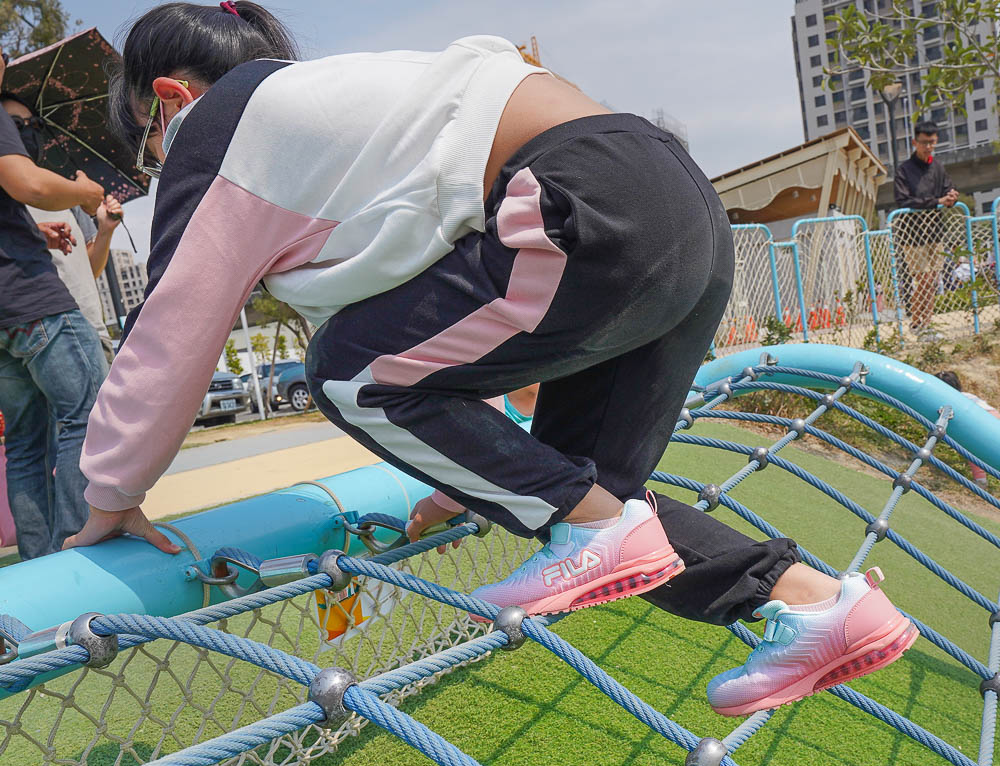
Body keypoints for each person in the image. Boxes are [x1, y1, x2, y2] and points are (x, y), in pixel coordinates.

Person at [66, 1, 916, 716]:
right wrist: (475, 469)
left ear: (171, 100)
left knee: (346, 373)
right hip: (673, 208)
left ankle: (594, 524)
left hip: (589, 205)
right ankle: (818, 601)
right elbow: (480, 312)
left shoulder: (219, 126)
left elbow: (170, 332)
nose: (159, 171)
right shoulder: (360, 124)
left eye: (148, 147)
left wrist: (111, 492)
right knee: (603, 508)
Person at [0, 55, 107, 559]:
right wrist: (84, 193)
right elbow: (31, 184)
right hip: (30, 298)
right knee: (87, 414)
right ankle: (77, 551)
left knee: (25, 441)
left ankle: (38, 572)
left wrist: (31, 230)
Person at [0, 95, 124, 363]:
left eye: (34, 124)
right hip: (46, 337)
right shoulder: (10, 200)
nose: (28, 130)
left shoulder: (67, 193)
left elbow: (86, 271)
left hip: (92, 333)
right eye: (15, 124)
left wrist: (105, 230)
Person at [893, 120, 959, 341]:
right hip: (913, 235)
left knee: (932, 279)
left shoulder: (938, 167)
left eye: (932, 142)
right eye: (924, 143)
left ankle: (924, 324)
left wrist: (950, 197)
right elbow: (903, 201)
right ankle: (917, 322)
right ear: (915, 142)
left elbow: (947, 188)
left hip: (935, 232)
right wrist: (936, 200)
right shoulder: (904, 170)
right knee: (923, 278)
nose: (928, 147)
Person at [935, 371, 1000, 489]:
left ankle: (980, 481)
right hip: (994, 417)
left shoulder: (953, 401)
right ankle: (981, 480)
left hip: (984, 420)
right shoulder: (967, 395)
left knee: (972, 448)